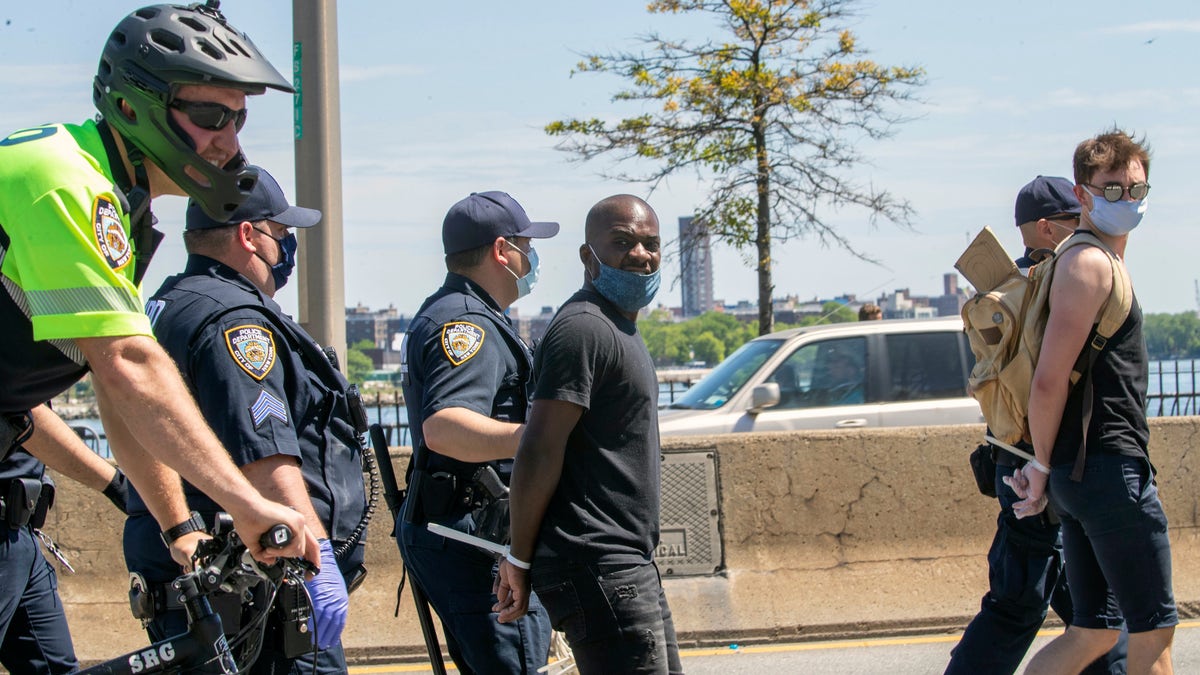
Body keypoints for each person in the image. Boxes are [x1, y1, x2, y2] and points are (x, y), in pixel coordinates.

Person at [0, 4, 316, 670]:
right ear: (134, 105)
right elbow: (131, 366)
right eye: (210, 117)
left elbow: (116, 392)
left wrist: (179, 526)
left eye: (239, 117)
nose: (230, 141)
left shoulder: (121, 202)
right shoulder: (65, 181)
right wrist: (247, 503)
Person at [124, 168, 368, 673]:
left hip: (203, 579)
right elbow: (266, 457)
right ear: (248, 234)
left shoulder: (168, 305)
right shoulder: (235, 322)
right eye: (281, 233)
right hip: (260, 593)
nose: (287, 248)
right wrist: (315, 561)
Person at [1009, 130, 1177, 674]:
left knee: (1093, 631)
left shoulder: (1092, 259)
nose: (1127, 201)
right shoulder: (1090, 265)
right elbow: (1049, 381)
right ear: (1083, 195)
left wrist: (1047, 467)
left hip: (1085, 474)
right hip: (1107, 471)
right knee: (1155, 632)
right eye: (1112, 189)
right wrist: (1038, 464)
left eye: (1136, 189)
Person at [494, 194, 684, 675]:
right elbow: (539, 448)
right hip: (597, 563)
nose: (640, 255)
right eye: (622, 243)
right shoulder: (583, 328)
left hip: (626, 564)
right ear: (588, 256)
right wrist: (517, 555)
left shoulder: (618, 327)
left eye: (651, 244)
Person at [946, 175, 1125, 675]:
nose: (1085, 229)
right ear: (1046, 229)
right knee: (1019, 607)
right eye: (1075, 220)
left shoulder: (1002, 296)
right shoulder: (1052, 290)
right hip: (1041, 468)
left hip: (1015, 459)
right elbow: (1050, 385)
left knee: (1092, 617)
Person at [398, 191, 557, 673]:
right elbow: (444, 427)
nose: (531, 259)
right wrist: (538, 439)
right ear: (501, 250)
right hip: (475, 538)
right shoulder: (467, 324)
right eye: (526, 246)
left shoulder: (457, 311)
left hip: (463, 530)